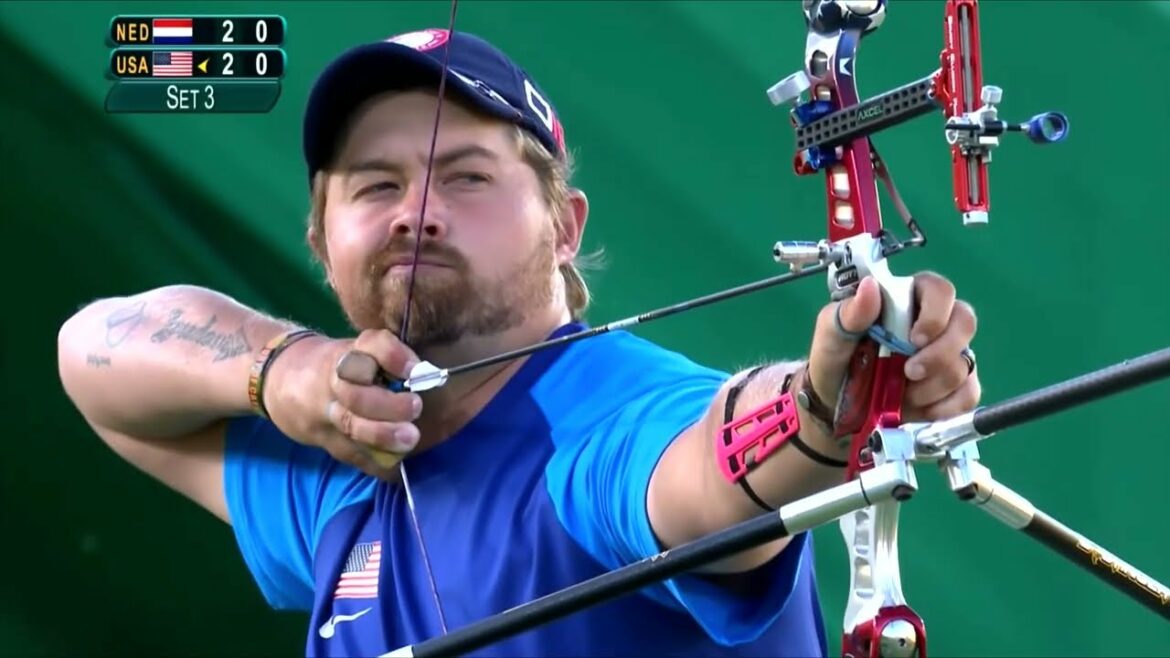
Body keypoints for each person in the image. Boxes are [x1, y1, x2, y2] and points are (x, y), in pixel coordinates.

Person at [56, 27, 980, 658]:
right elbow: (92, 353)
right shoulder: (349, 459)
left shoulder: (602, 420)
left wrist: (821, 412)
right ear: (319, 242)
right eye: (374, 187)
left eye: (465, 177)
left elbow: (704, 479)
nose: (416, 213)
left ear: (564, 228)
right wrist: (280, 371)